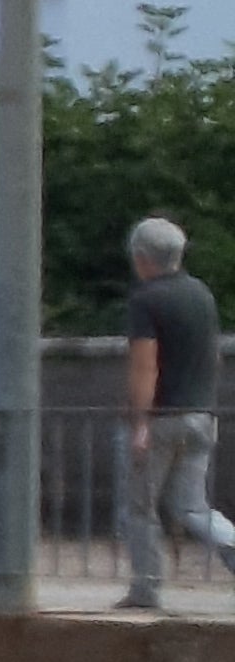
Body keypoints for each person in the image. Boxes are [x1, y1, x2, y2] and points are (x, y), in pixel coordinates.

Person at [120, 216, 225, 610]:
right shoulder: (202, 294)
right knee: (192, 507)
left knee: (140, 506)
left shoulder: (145, 301)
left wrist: (140, 422)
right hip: (202, 414)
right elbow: (212, 355)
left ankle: (146, 588)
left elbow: (145, 365)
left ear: (143, 257)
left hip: (163, 419)